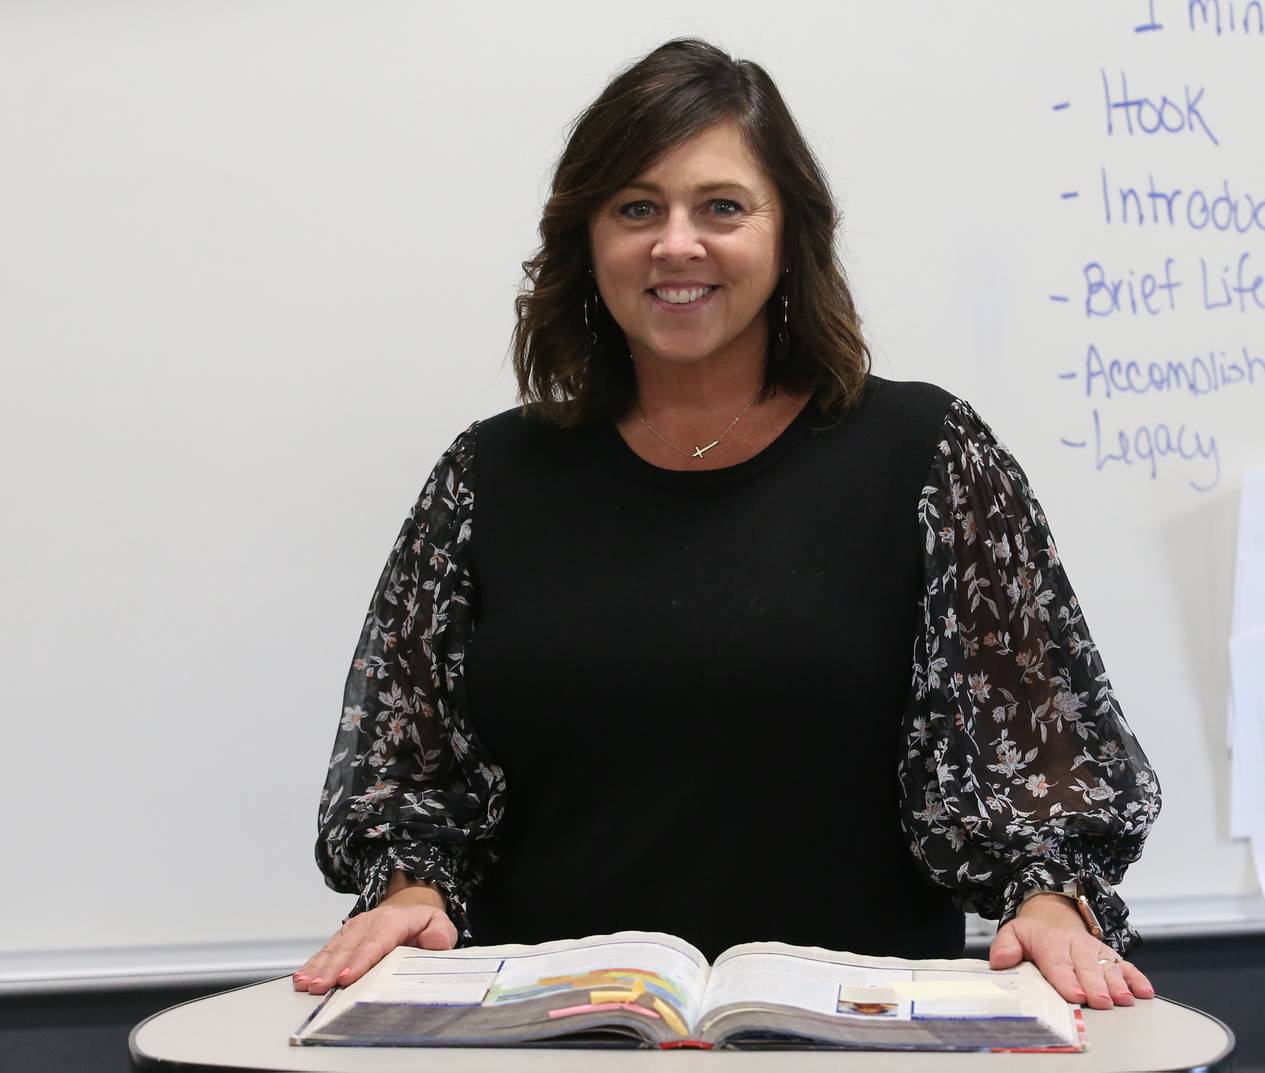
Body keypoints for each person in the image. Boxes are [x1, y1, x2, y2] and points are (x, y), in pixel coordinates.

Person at [295, 38, 1161, 1011]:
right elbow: (408, 776)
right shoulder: (484, 478)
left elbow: (1038, 765)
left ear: (790, 233)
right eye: (635, 208)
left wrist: (1048, 897)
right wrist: (409, 889)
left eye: (721, 207)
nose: (676, 243)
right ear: (586, 240)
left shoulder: (929, 459)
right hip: (546, 1036)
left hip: (851, 1038)